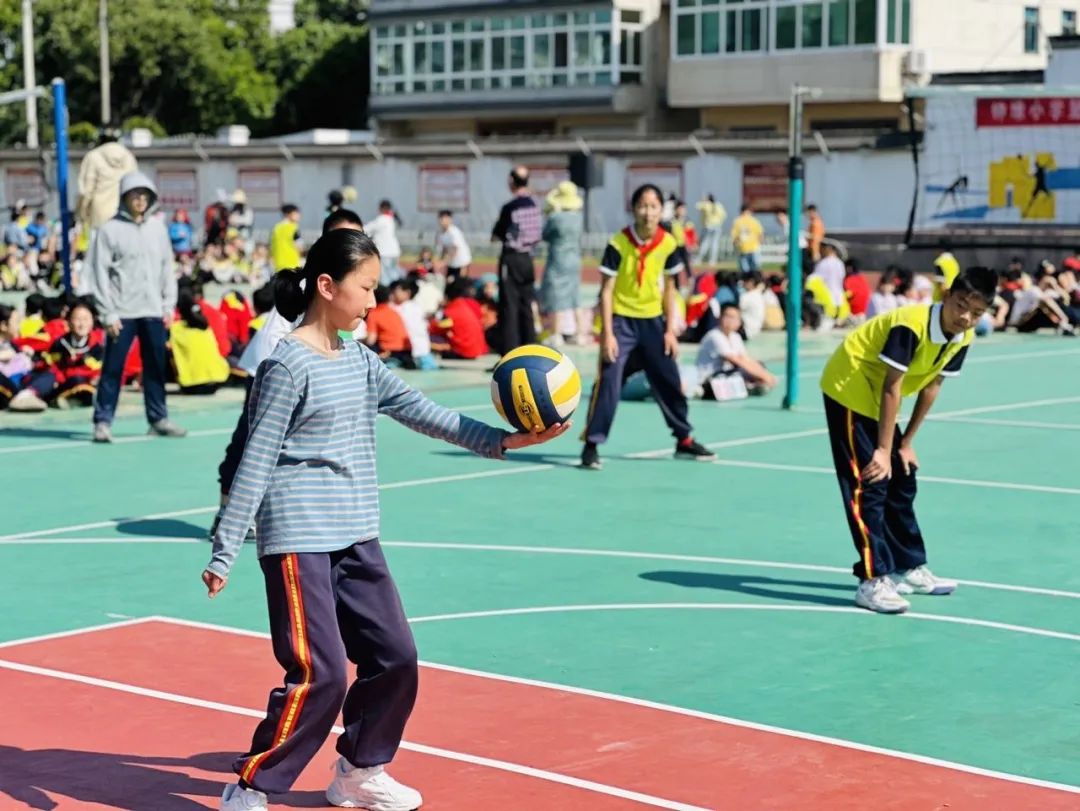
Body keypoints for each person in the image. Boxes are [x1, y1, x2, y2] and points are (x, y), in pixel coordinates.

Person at [203, 228, 568, 811]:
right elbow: (257, 455)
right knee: (320, 674)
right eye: (366, 287)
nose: (374, 301)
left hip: (356, 534)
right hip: (298, 539)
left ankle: (358, 770)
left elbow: (427, 414)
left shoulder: (361, 361)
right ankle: (251, 784)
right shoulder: (286, 366)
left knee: (396, 656)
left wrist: (507, 440)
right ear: (327, 286)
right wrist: (225, 546)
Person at [819, 266, 996, 614]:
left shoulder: (964, 336)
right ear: (946, 296)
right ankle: (872, 580)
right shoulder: (910, 324)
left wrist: (904, 444)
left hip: (879, 396)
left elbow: (932, 387)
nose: (965, 317)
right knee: (870, 481)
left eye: (976, 312)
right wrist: (883, 450)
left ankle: (908, 566)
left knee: (902, 476)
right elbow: (892, 387)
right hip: (851, 386)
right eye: (960, 305)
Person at [580, 183, 715, 470]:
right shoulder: (618, 243)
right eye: (642, 205)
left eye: (654, 206)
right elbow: (605, 291)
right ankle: (591, 444)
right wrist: (608, 334)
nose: (648, 212)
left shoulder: (668, 244)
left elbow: (669, 289)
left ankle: (684, 439)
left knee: (669, 380)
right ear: (634, 209)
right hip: (622, 322)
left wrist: (669, 330)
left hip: (654, 323)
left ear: (661, 210)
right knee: (609, 383)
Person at [84, 172, 186, 443]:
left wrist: (168, 306)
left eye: (144, 195)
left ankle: (158, 418)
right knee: (113, 368)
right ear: (124, 197)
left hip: (153, 309)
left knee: (155, 366)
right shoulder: (109, 230)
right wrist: (107, 312)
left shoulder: (158, 229)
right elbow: (99, 273)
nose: (140, 200)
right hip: (121, 312)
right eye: (134, 195)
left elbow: (167, 269)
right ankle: (103, 421)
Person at [491, 166, 542, 355]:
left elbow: (497, 234)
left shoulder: (510, 207)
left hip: (511, 258)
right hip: (528, 259)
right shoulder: (535, 205)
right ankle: (530, 347)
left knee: (509, 306)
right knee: (526, 303)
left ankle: (510, 353)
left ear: (512, 182)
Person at [539, 181, 584, 347]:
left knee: (555, 295)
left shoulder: (556, 218)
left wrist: (551, 212)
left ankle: (556, 333)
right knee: (574, 297)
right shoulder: (578, 217)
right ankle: (580, 334)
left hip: (558, 259)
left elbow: (545, 235)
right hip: (574, 259)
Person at [75, 130, 138, 232]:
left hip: (100, 213)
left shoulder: (92, 156)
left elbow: (86, 191)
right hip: (125, 212)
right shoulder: (128, 156)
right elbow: (135, 184)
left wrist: (82, 213)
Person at [366, 200, 403, 285]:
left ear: (381, 208)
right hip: (394, 252)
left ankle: (388, 295)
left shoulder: (381, 220)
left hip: (384, 252)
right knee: (394, 275)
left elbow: (366, 229)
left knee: (385, 278)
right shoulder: (392, 219)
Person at [436, 209, 472, 284]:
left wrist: (443, 262)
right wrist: (439, 260)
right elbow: (444, 249)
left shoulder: (454, 232)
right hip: (452, 264)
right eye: (441, 218)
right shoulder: (440, 233)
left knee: (460, 284)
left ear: (450, 219)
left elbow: (454, 250)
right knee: (448, 284)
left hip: (462, 263)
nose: (443, 220)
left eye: (446, 218)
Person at [730, 203, 764, 275]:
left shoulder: (753, 221)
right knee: (749, 269)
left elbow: (760, 234)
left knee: (751, 269)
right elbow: (734, 236)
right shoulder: (738, 221)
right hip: (745, 249)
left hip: (752, 248)